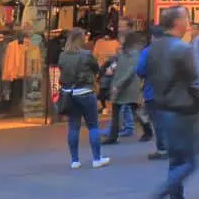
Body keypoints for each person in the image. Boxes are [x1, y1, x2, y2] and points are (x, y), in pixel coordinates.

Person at [140, 6, 199, 199]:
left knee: (176, 162)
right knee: (189, 162)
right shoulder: (182, 49)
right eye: (186, 18)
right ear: (178, 22)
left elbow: (142, 72)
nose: (189, 22)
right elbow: (195, 83)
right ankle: (157, 197)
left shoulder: (153, 48)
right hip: (183, 112)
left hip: (161, 110)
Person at [58, 28, 111, 169]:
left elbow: (61, 69)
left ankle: (75, 160)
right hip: (86, 92)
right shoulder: (87, 55)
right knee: (93, 125)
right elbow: (96, 69)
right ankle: (96, 158)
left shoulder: (63, 55)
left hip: (70, 93)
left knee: (73, 126)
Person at [107, 33, 151, 145]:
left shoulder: (131, 54)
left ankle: (147, 131)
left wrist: (118, 84)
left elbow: (130, 71)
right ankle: (147, 130)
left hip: (126, 86)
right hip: (126, 87)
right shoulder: (126, 54)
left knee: (133, 110)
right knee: (132, 110)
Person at [136, 27, 170, 160]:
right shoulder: (170, 51)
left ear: (152, 37)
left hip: (152, 91)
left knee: (158, 122)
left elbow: (140, 70)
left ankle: (162, 149)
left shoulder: (147, 52)